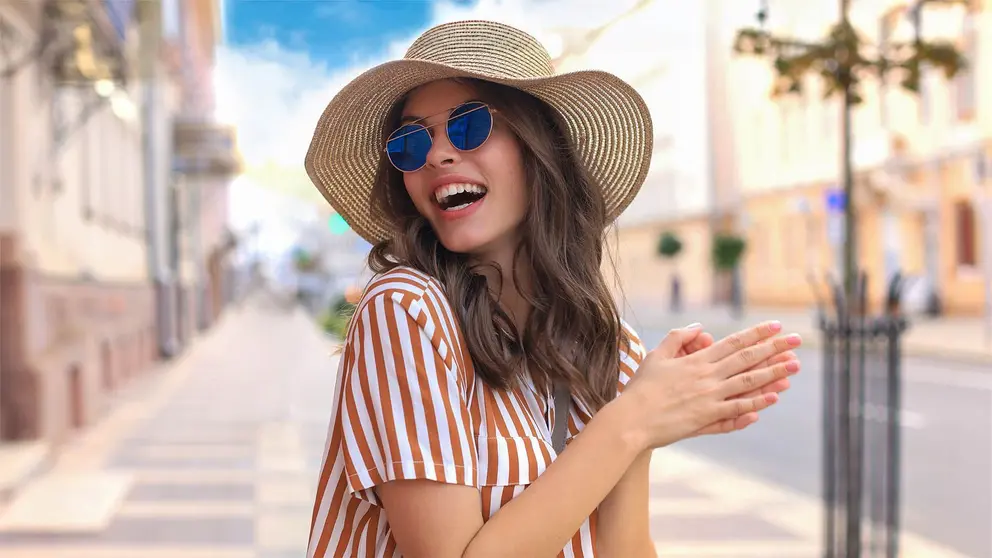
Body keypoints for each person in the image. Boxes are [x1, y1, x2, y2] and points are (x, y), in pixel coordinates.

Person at [303, 20, 802, 558]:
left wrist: (639, 416)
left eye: (469, 125)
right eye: (410, 141)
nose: (437, 155)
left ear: (539, 148)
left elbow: (623, 548)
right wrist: (632, 419)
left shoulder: (610, 348)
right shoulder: (406, 310)